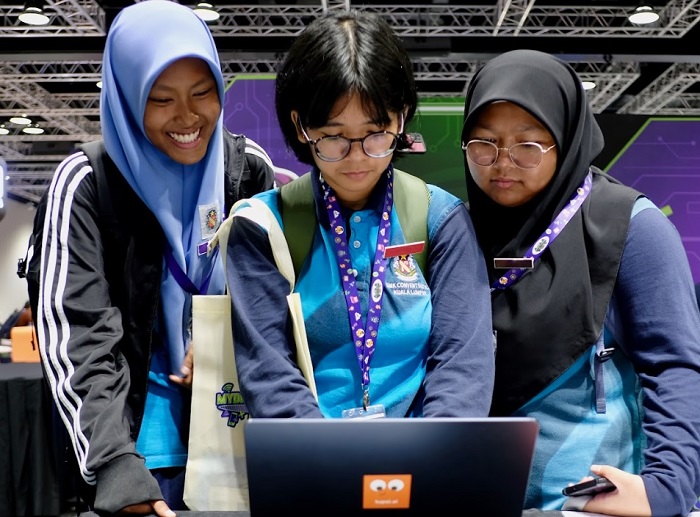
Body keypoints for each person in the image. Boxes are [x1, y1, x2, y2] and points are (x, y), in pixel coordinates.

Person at [24, 1, 275, 515]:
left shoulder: (247, 170)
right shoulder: (87, 184)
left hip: (235, 435)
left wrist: (221, 333)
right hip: (136, 451)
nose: (187, 118)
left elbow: (271, 300)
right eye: (161, 100)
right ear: (126, 97)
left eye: (203, 93)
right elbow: (77, 331)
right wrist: (115, 463)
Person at [461, 49, 700, 517]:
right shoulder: (459, 229)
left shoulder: (629, 226)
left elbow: (674, 366)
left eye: (528, 145)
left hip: (590, 507)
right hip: (484, 497)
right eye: (483, 144)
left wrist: (668, 488)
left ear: (566, 139)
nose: (502, 163)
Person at [226, 10, 495, 420]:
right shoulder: (262, 227)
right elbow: (269, 373)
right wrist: (333, 468)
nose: (357, 157)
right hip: (309, 470)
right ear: (300, 125)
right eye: (333, 137)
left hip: (421, 468)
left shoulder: (441, 219)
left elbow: (463, 367)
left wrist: (429, 463)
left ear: (401, 117)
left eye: (375, 133)